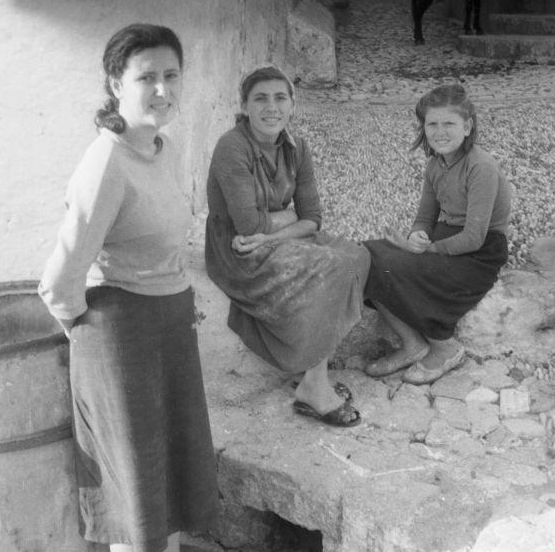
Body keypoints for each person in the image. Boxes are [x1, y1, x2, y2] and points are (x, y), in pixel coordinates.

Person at [39, 24, 230, 552]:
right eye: (145, 76)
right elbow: (58, 280)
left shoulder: (164, 147)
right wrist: (88, 336)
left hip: (170, 316)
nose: (161, 89)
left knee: (173, 459)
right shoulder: (105, 163)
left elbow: (169, 243)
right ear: (114, 86)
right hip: (116, 328)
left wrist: (178, 299)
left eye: (171, 75)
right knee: (130, 478)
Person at [205, 65, 371, 427]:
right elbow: (248, 225)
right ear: (244, 105)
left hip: (273, 239)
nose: (271, 107)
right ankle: (314, 386)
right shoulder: (232, 147)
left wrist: (277, 229)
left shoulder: (297, 147)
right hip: (239, 249)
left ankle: (310, 369)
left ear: (292, 104)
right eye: (260, 98)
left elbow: (313, 217)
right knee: (331, 266)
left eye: (280, 98)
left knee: (357, 256)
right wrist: (286, 218)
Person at [363, 83, 512, 383]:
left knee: (396, 265)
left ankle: (444, 348)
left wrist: (425, 250)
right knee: (365, 255)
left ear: (467, 127)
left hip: (480, 253)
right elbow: (424, 218)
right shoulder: (435, 164)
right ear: (424, 127)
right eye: (432, 124)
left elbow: (474, 237)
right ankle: (413, 345)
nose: (440, 131)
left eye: (449, 123)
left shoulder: (480, 167)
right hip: (446, 238)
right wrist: (418, 235)